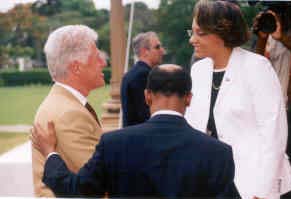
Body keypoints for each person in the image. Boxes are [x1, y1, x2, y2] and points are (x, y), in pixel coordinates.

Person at [31, 64, 240, 198]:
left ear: (147, 96)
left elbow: (77, 190)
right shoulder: (217, 153)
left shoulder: (114, 144)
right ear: (188, 98)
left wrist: (50, 153)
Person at [184, 1, 291, 199]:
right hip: (210, 184)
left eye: (200, 33)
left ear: (221, 32)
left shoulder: (257, 67)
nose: (192, 40)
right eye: (191, 32)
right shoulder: (198, 71)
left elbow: (274, 135)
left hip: (254, 185)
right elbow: (193, 130)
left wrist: (263, 191)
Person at [32, 25, 106, 197]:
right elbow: (98, 183)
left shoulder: (67, 105)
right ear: (76, 67)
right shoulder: (69, 114)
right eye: (97, 58)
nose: (103, 63)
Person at [120, 31, 165, 127]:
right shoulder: (143, 75)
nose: (163, 51)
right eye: (157, 47)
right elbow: (145, 114)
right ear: (145, 51)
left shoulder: (130, 74)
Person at [253, 2, 291, 104]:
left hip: (283, 99)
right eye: (269, 15)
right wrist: (262, 37)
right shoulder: (265, 34)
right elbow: (257, 61)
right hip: (265, 96)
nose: (273, 18)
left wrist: (281, 37)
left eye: (277, 14)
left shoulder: (285, 36)